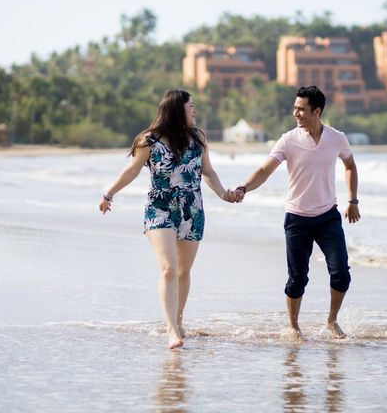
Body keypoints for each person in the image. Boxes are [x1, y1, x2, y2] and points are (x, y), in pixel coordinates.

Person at [98, 89, 238, 349]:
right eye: (191, 106)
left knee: (184, 271)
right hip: (159, 207)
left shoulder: (198, 138)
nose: (195, 111)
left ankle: (179, 320)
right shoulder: (149, 140)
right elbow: (131, 171)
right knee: (168, 269)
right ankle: (172, 330)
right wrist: (109, 193)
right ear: (177, 109)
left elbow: (208, 171)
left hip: (192, 208)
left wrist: (223, 193)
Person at [234, 85, 360, 340]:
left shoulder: (337, 138)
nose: (296, 113)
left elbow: (350, 165)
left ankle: (331, 321)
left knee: (341, 274)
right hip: (297, 218)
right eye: (295, 108)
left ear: (317, 111)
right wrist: (243, 188)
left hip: (328, 216)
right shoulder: (288, 139)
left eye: (301, 109)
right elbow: (264, 170)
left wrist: (353, 200)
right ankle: (294, 326)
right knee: (297, 279)